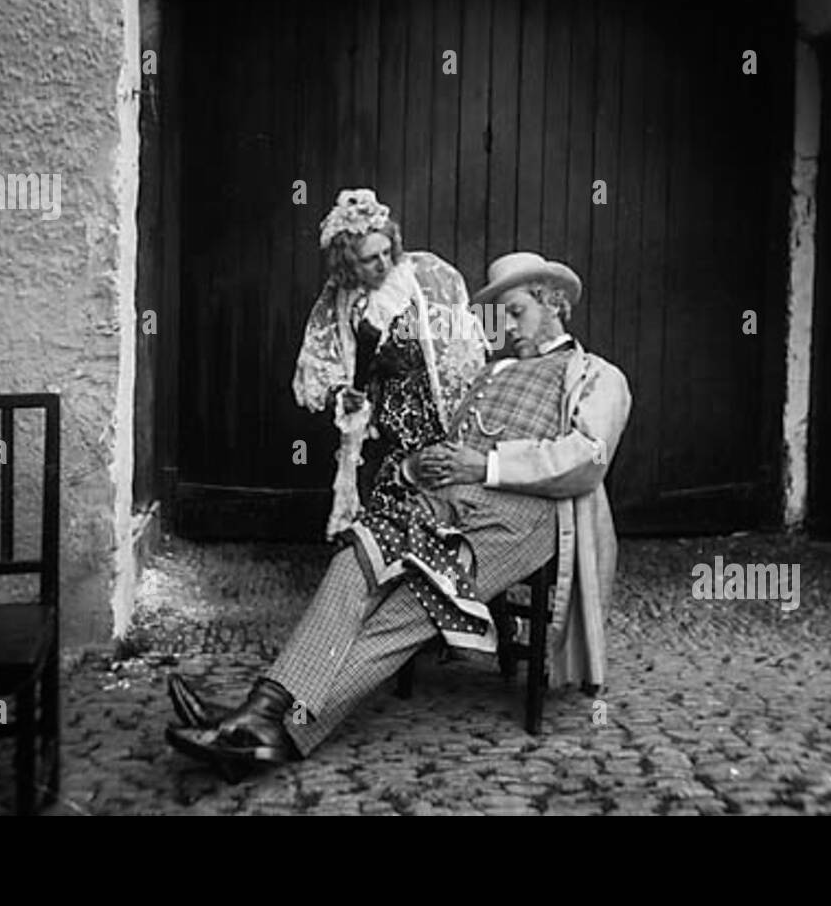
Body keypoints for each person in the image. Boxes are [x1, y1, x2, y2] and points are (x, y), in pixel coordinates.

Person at [165, 252, 632, 780]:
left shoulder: (597, 375)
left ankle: (272, 730)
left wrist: (486, 464)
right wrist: (417, 465)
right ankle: (260, 711)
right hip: (445, 502)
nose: (507, 326)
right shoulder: (493, 372)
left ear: (553, 304)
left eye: (516, 310)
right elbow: (448, 447)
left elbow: (586, 461)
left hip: (524, 519)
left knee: (408, 606)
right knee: (352, 563)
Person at [291, 188, 487, 534]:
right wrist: (342, 393)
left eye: (386, 252)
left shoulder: (425, 277)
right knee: (383, 514)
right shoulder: (339, 300)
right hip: (383, 424)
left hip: (434, 413)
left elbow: (466, 345)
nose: (384, 263)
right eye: (371, 259)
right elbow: (323, 362)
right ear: (350, 263)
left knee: (439, 508)